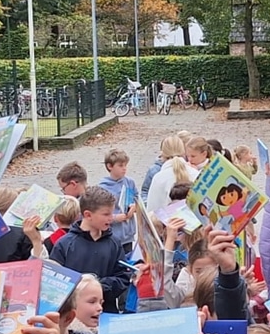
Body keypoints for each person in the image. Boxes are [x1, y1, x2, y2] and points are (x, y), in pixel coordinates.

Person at [47, 185, 129, 313]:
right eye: (106, 214)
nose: (111, 218)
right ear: (88, 215)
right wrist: (81, 290)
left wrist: (98, 287)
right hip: (73, 314)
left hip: (106, 311)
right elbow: (54, 282)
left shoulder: (114, 243)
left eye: (112, 213)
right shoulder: (65, 244)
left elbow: (123, 277)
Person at [98, 149, 140, 260]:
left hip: (128, 234)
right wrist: (116, 218)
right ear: (110, 166)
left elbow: (137, 199)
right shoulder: (103, 187)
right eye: (120, 165)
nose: (124, 168)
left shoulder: (129, 182)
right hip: (113, 234)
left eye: (125, 165)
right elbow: (99, 213)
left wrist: (135, 207)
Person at [141, 134, 186, 199]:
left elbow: (152, 206)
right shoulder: (195, 174)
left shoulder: (158, 178)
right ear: (184, 151)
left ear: (162, 153)